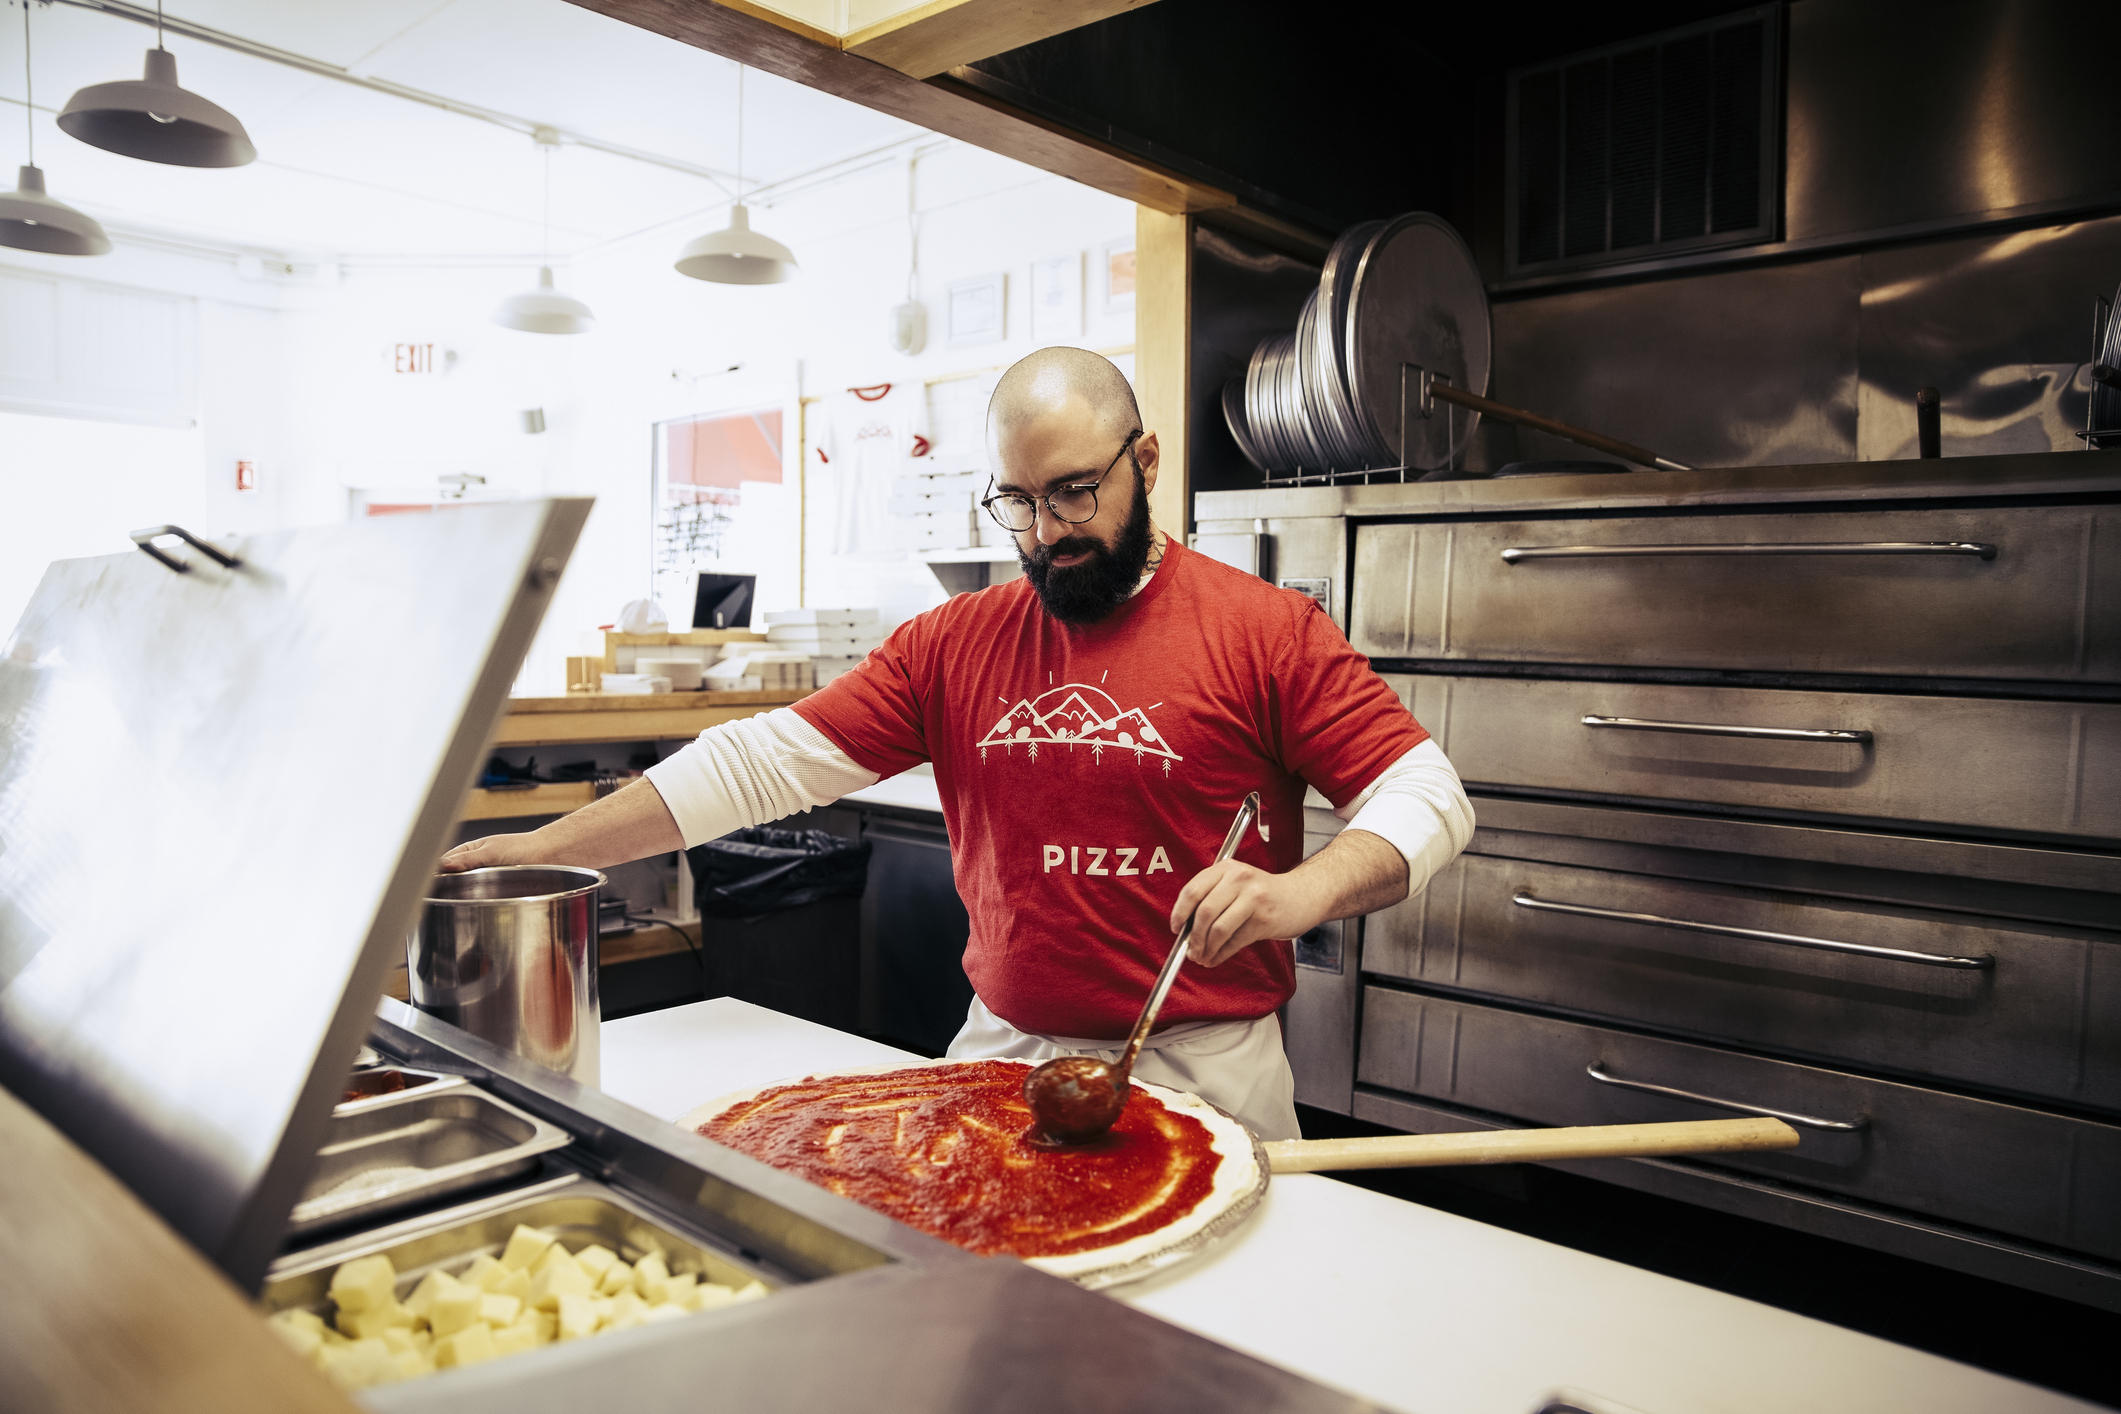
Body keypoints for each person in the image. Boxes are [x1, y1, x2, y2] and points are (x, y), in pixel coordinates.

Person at [443, 347, 1473, 1140]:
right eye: (1016, 501)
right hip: (998, 1053)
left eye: (1074, 491)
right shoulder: (955, 643)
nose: (1045, 532)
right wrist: (541, 849)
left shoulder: (1263, 630)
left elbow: (1429, 794)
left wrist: (1299, 893)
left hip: (1207, 1067)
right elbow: (759, 762)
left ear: (1144, 461)